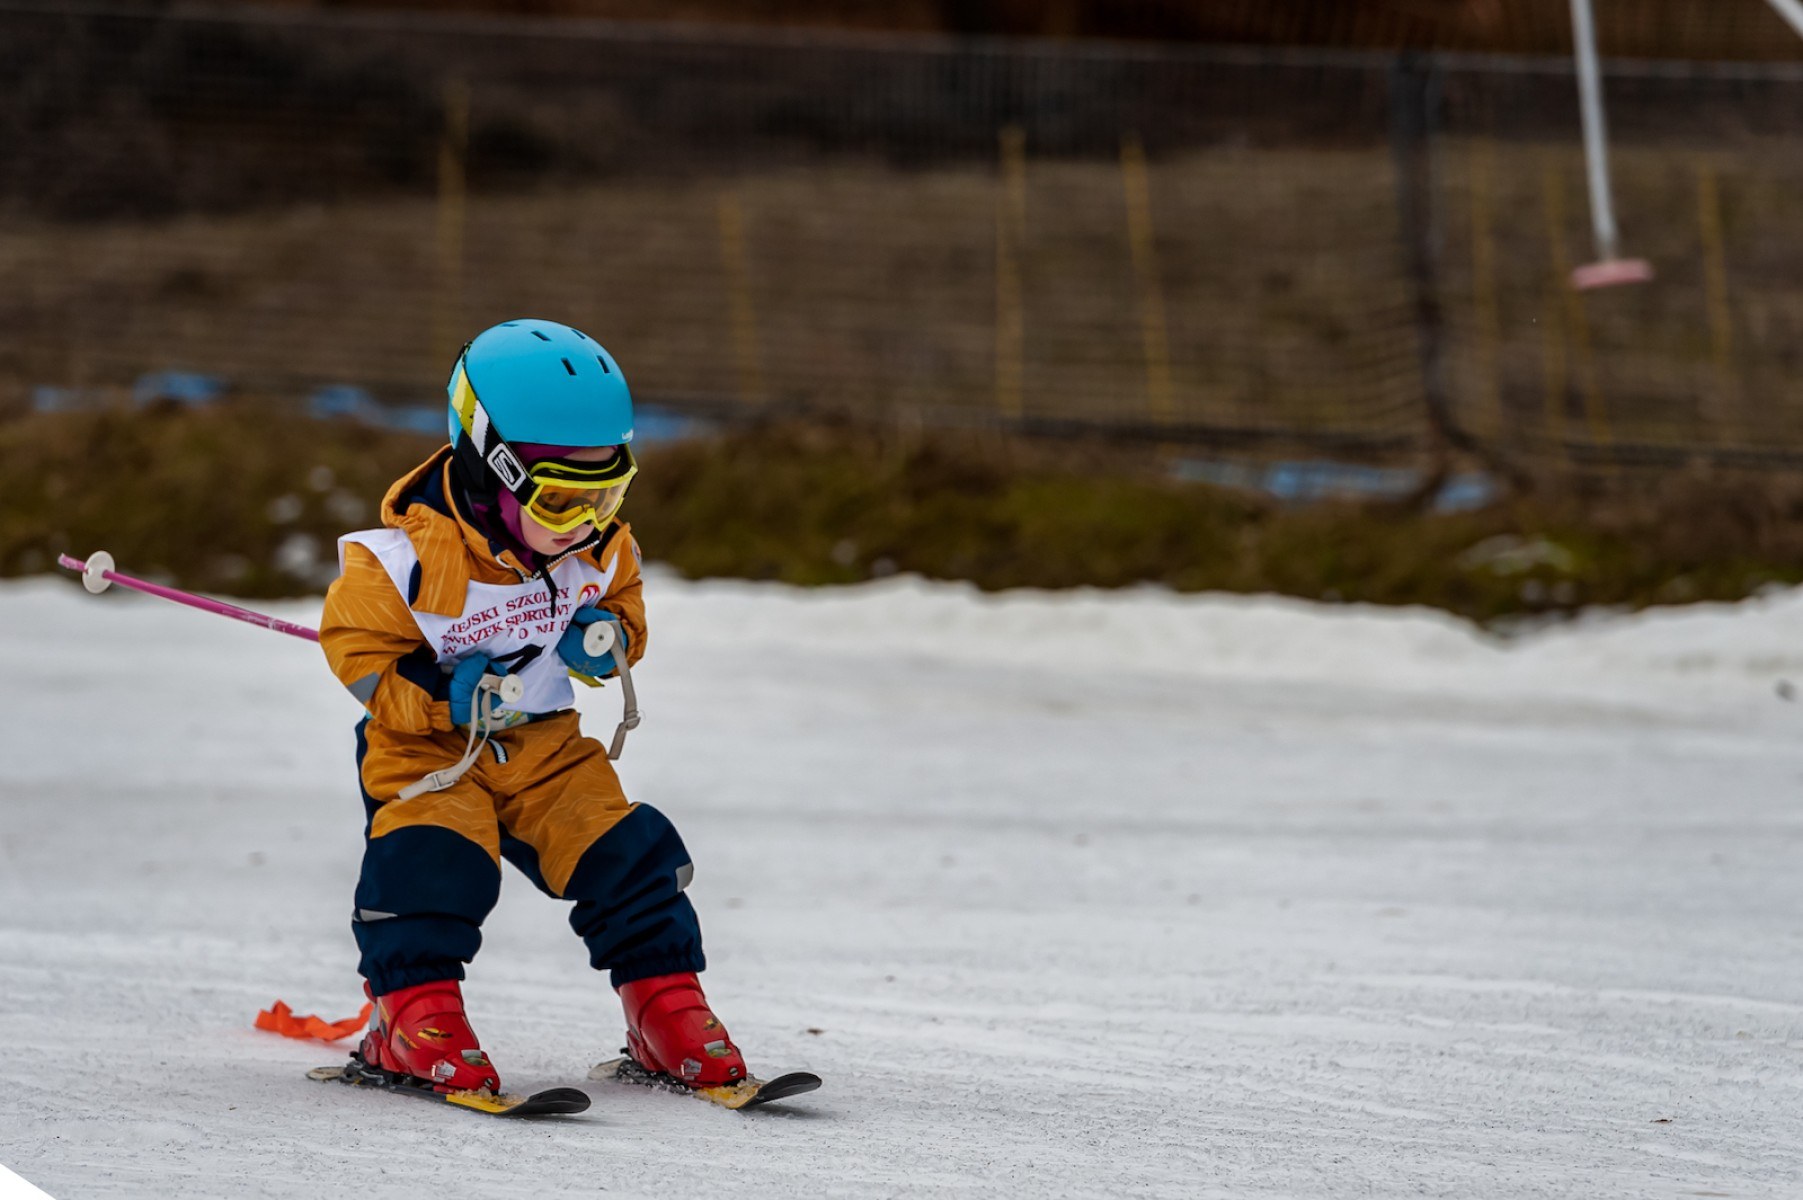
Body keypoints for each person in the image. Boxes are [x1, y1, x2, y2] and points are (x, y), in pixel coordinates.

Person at [318, 318, 746, 1096]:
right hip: (429, 754)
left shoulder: (599, 545)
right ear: (490, 467)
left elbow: (622, 602)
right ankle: (413, 1016)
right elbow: (359, 659)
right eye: (559, 503)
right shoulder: (394, 563)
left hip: (545, 746)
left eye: (607, 493)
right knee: (431, 865)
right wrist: (436, 693)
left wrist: (609, 638)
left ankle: (667, 1010)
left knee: (630, 854)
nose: (584, 523)